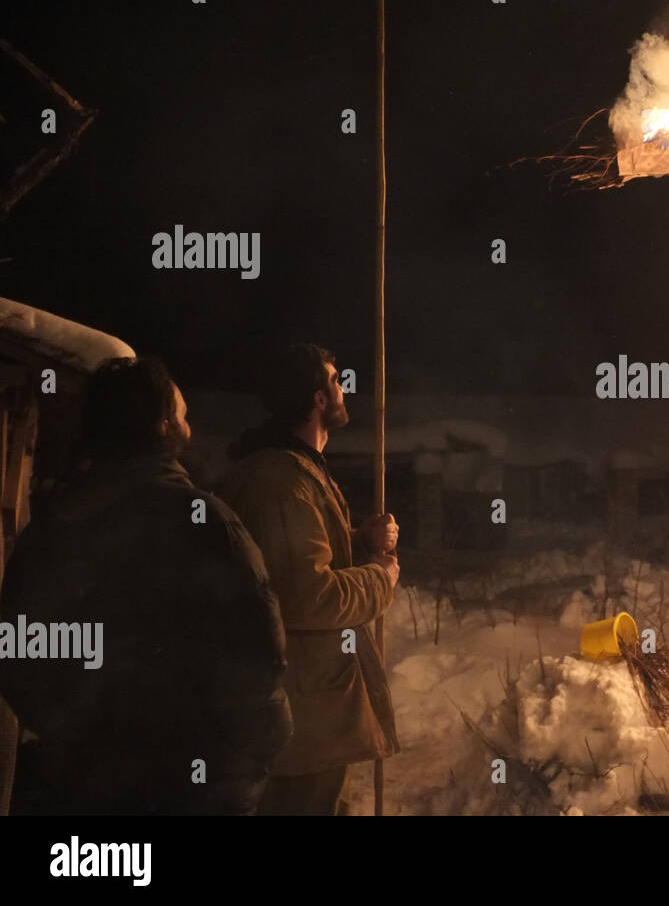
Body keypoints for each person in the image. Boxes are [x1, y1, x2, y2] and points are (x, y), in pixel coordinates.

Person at [0, 356, 291, 814]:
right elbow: (260, 654)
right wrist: (240, 766)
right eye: (181, 411)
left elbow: (20, 654)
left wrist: (75, 741)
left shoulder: (55, 524)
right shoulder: (202, 521)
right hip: (191, 789)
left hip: (85, 791)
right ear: (161, 427)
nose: (188, 418)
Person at [218, 344, 399, 815]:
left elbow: (294, 563)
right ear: (319, 399)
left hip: (312, 705)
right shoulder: (279, 482)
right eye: (337, 380)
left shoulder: (298, 470)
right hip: (299, 712)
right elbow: (308, 596)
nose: (344, 389)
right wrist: (380, 577)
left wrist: (358, 542)